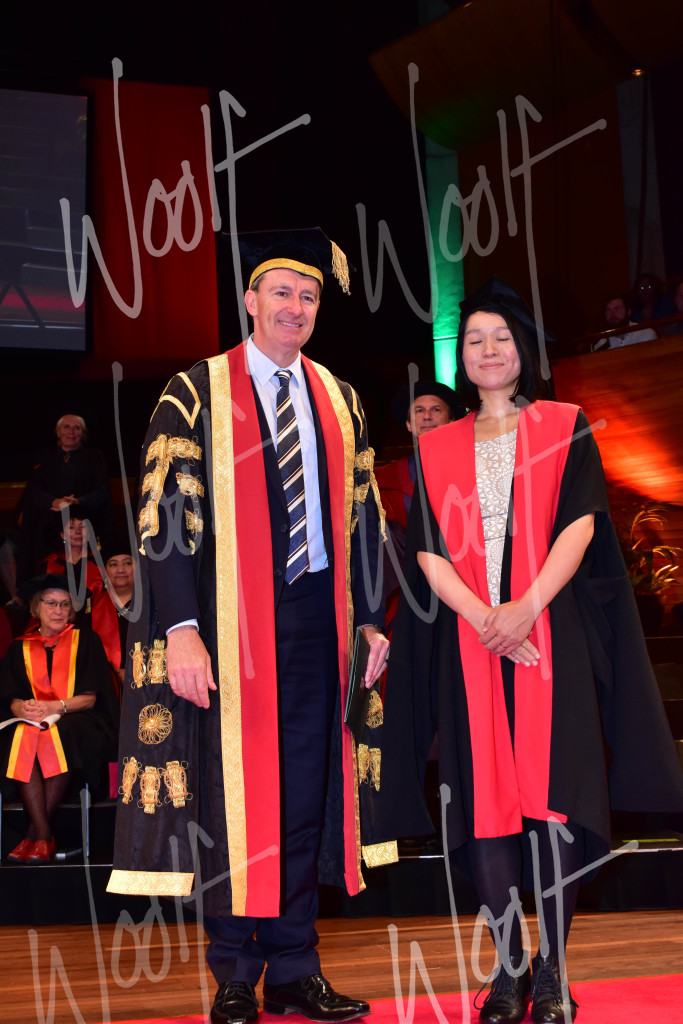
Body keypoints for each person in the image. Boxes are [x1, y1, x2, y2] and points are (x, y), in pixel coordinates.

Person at [377, 279, 683, 1024]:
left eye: (501, 338)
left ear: (523, 350)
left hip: (550, 636)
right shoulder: (434, 446)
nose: (488, 350)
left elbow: (580, 525)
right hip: (471, 643)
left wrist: (524, 609)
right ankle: (508, 971)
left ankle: (553, 972)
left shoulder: (564, 425)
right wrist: (485, 618)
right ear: (461, 356)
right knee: (484, 805)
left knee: (555, 803)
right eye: (474, 340)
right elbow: (427, 551)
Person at [107, 229, 390, 1024]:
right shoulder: (195, 391)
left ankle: (295, 965)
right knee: (231, 798)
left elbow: (364, 518)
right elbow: (163, 513)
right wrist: (180, 628)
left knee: (303, 795)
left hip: (319, 620)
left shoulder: (338, 397)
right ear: (251, 300)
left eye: (308, 296)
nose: (294, 307)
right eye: (281, 293)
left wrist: (371, 620)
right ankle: (234, 970)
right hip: (228, 623)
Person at [0, 574, 116, 862]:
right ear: (35, 607)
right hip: (33, 721)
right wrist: (20, 709)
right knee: (21, 735)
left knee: (59, 734)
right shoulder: (19, 647)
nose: (58, 610)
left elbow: (90, 699)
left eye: (64, 604)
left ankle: (35, 835)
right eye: (50, 603)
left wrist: (56, 707)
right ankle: (43, 836)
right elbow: (11, 697)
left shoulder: (86, 640)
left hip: (78, 717)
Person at [376, 381, 463, 636]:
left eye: (436, 409)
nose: (427, 416)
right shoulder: (385, 480)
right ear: (409, 424)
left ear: (451, 420)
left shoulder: (472, 471)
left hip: (465, 586)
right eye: (419, 410)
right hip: (409, 593)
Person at [16, 414, 112, 583]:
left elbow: (102, 490)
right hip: (48, 523)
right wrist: (54, 502)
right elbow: (34, 489)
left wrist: (78, 502)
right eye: (66, 427)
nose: (71, 431)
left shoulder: (94, 456)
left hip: (85, 521)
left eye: (77, 428)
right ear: (58, 432)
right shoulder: (44, 456)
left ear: (83, 433)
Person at [92, 540, 137, 696]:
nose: (120, 569)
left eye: (127, 563)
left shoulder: (153, 606)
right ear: (105, 571)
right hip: (103, 686)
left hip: (146, 684)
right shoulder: (89, 608)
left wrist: (132, 672)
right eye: (113, 564)